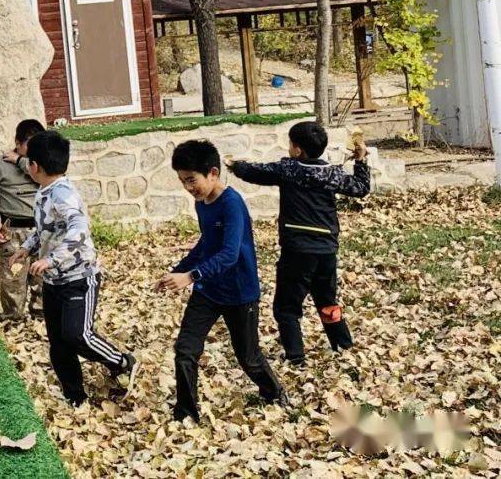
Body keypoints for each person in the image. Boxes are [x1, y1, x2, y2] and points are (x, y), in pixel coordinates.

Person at [157, 139, 287, 423]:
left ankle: (275, 393)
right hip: (208, 291)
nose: (188, 188)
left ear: (213, 173)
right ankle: (186, 414)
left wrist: (190, 276)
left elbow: (229, 254)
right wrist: (177, 271)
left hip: (240, 293)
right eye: (182, 181)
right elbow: (207, 244)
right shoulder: (202, 203)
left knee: (249, 358)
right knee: (185, 351)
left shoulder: (232, 204)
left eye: (191, 180)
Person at [8, 130, 137, 408]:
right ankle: (75, 395)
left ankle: (121, 361)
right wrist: (26, 249)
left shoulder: (64, 193)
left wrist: (51, 260)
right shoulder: (45, 192)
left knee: (77, 335)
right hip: (54, 281)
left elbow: (78, 230)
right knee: (58, 342)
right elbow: (44, 230)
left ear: (35, 167)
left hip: (80, 277)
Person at [228, 121, 370, 365]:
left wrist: (235, 166)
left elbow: (258, 172)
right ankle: (344, 347)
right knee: (327, 301)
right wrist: (361, 161)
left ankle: (296, 357)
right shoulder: (332, 173)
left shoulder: (288, 170)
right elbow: (360, 188)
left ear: (298, 150)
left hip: (297, 250)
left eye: (291, 143)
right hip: (326, 249)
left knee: (286, 307)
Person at [0, 118, 45, 323]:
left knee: (42, 277)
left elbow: (44, 178)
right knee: (12, 279)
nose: (35, 150)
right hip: (13, 230)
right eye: (30, 146)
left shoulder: (44, 163)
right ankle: (13, 316)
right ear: (17, 143)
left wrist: (20, 161)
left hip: (41, 229)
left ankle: (40, 314)